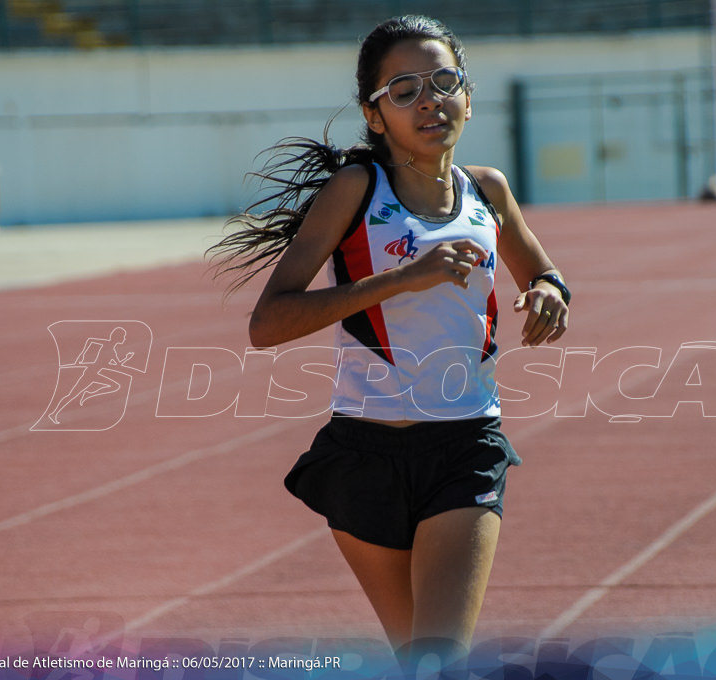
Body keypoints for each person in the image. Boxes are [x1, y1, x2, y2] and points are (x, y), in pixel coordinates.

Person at [209, 14, 571, 669]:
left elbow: (542, 272)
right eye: (403, 90)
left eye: (443, 81)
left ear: (468, 94)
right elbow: (268, 324)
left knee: (440, 657)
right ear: (374, 116)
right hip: (363, 455)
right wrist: (400, 280)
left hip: (465, 444)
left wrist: (550, 293)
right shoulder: (355, 190)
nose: (429, 100)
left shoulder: (487, 191)